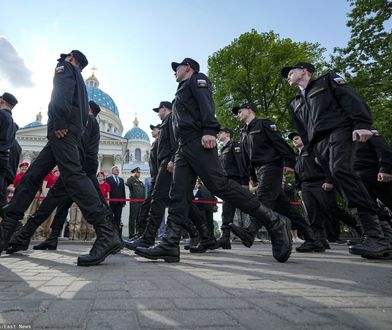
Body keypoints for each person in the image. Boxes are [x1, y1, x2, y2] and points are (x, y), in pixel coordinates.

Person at [134, 57, 291, 263]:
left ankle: (273, 220)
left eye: (177, 67)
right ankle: (170, 244)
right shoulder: (181, 90)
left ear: (188, 67)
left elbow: (206, 104)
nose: (174, 71)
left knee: (220, 185)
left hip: (199, 140)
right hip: (183, 147)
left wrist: (209, 130)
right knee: (178, 194)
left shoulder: (197, 80)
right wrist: (175, 154)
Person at [0, 50, 122, 266]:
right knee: (32, 177)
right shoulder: (82, 83)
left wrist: (58, 124)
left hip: (61, 130)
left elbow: (59, 95)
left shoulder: (65, 69)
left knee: (73, 177)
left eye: (65, 57)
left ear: (72, 59)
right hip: (64, 133)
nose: (62, 59)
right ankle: (11, 231)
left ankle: (106, 232)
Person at [281, 61, 391, 258]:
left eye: (291, 72)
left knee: (342, 171)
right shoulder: (295, 102)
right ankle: (384, 234)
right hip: (319, 144)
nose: (288, 76)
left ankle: (376, 237)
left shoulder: (327, 81)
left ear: (304, 71)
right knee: (343, 182)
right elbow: (303, 130)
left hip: (340, 131)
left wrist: (362, 123)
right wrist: (311, 151)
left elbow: (351, 99)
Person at [230, 103, 324, 253]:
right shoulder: (243, 132)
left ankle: (250, 231)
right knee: (285, 207)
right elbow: (248, 157)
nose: (238, 114)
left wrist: (288, 162)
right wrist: (252, 176)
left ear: (250, 110)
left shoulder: (264, 124)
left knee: (262, 200)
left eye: (240, 111)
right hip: (259, 170)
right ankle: (313, 239)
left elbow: (279, 143)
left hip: (271, 166)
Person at [216, 127, 249, 249]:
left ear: (227, 134)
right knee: (227, 209)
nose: (218, 134)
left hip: (235, 181)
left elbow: (241, 163)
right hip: (226, 182)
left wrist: (245, 182)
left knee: (247, 208)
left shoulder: (235, 146)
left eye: (220, 132)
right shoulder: (222, 149)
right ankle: (225, 237)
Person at [0, 92, 18, 208]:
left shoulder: (1, 114)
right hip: (3, 161)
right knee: (1, 197)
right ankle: (12, 224)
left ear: (1, 101)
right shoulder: (12, 122)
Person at [126, 167, 144, 237]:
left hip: (141, 203)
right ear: (134, 173)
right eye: (137, 172)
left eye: (139, 172)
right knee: (132, 219)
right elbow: (127, 183)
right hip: (134, 202)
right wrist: (132, 176)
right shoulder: (131, 180)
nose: (139, 173)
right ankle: (131, 235)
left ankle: (138, 234)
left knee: (139, 220)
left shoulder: (141, 182)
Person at [106, 166, 126, 233]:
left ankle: (117, 233)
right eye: (115, 169)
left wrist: (124, 201)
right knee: (110, 217)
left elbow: (123, 191)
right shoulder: (108, 179)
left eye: (118, 169)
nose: (117, 170)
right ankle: (110, 232)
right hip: (111, 203)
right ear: (112, 171)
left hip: (120, 203)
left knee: (118, 218)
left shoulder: (121, 180)